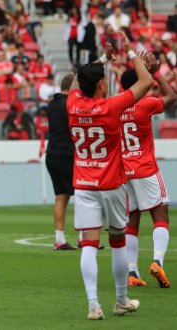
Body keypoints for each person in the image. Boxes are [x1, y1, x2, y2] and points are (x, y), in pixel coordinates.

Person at [67, 35, 153, 320]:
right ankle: (120, 300)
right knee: (117, 240)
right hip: (112, 183)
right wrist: (130, 51)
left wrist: (102, 60)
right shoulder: (112, 106)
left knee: (89, 243)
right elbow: (146, 82)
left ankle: (93, 305)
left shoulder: (72, 103)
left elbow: (80, 80)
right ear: (102, 85)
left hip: (84, 185)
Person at [119, 60, 177, 288]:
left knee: (132, 222)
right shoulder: (144, 104)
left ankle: (132, 271)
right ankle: (157, 262)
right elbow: (171, 95)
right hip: (145, 168)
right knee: (161, 215)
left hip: (123, 172)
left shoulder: (114, 105)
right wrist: (154, 72)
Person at [45, 74, 78, 250]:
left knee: (61, 197)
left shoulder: (52, 104)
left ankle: (60, 239)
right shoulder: (70, 104)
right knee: (82, 194)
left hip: (52, 155)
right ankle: (83, 237)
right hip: (67, 155)